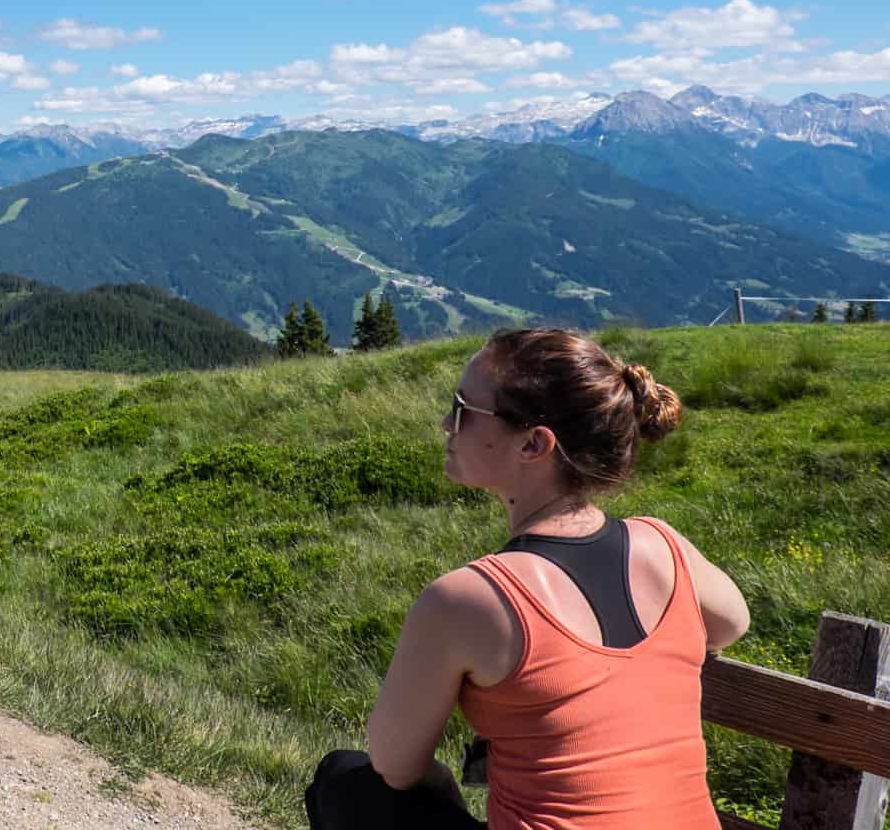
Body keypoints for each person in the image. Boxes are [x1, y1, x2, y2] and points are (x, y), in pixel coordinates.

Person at [304, 328, 751, 829]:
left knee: (344, 779)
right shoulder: (667, 549)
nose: (445, 422)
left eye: (462, 409)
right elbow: (732, 622)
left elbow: (394, 764)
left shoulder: (468, 600)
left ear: (535, 443)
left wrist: (448, 790)